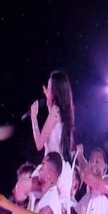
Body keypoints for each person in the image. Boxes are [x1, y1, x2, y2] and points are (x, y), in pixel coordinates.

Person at [30, 70, 75, 206]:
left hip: (52, 170)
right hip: (60, 169)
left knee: (23, 188)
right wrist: (49, 101)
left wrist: (33, 117)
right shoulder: (63, 112)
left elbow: (39, 144)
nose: (47, 91)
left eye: (49, 88)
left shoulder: (55, 111)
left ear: (55, 91)